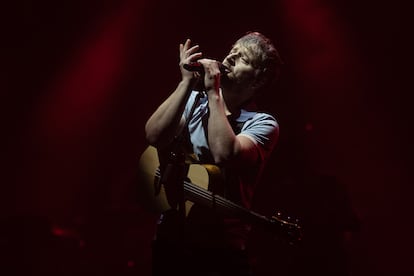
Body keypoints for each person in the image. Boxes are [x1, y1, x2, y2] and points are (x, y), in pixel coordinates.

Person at [144, 31, 283, 276]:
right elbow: (154, 135)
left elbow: (224, 154)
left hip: (219, 252)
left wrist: (213, 93)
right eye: (232, 52)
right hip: (170, 242)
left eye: (243, 58)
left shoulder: (263, 124)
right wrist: (186, 83)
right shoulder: (193, 100)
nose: (229, 58)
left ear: (258, 81)